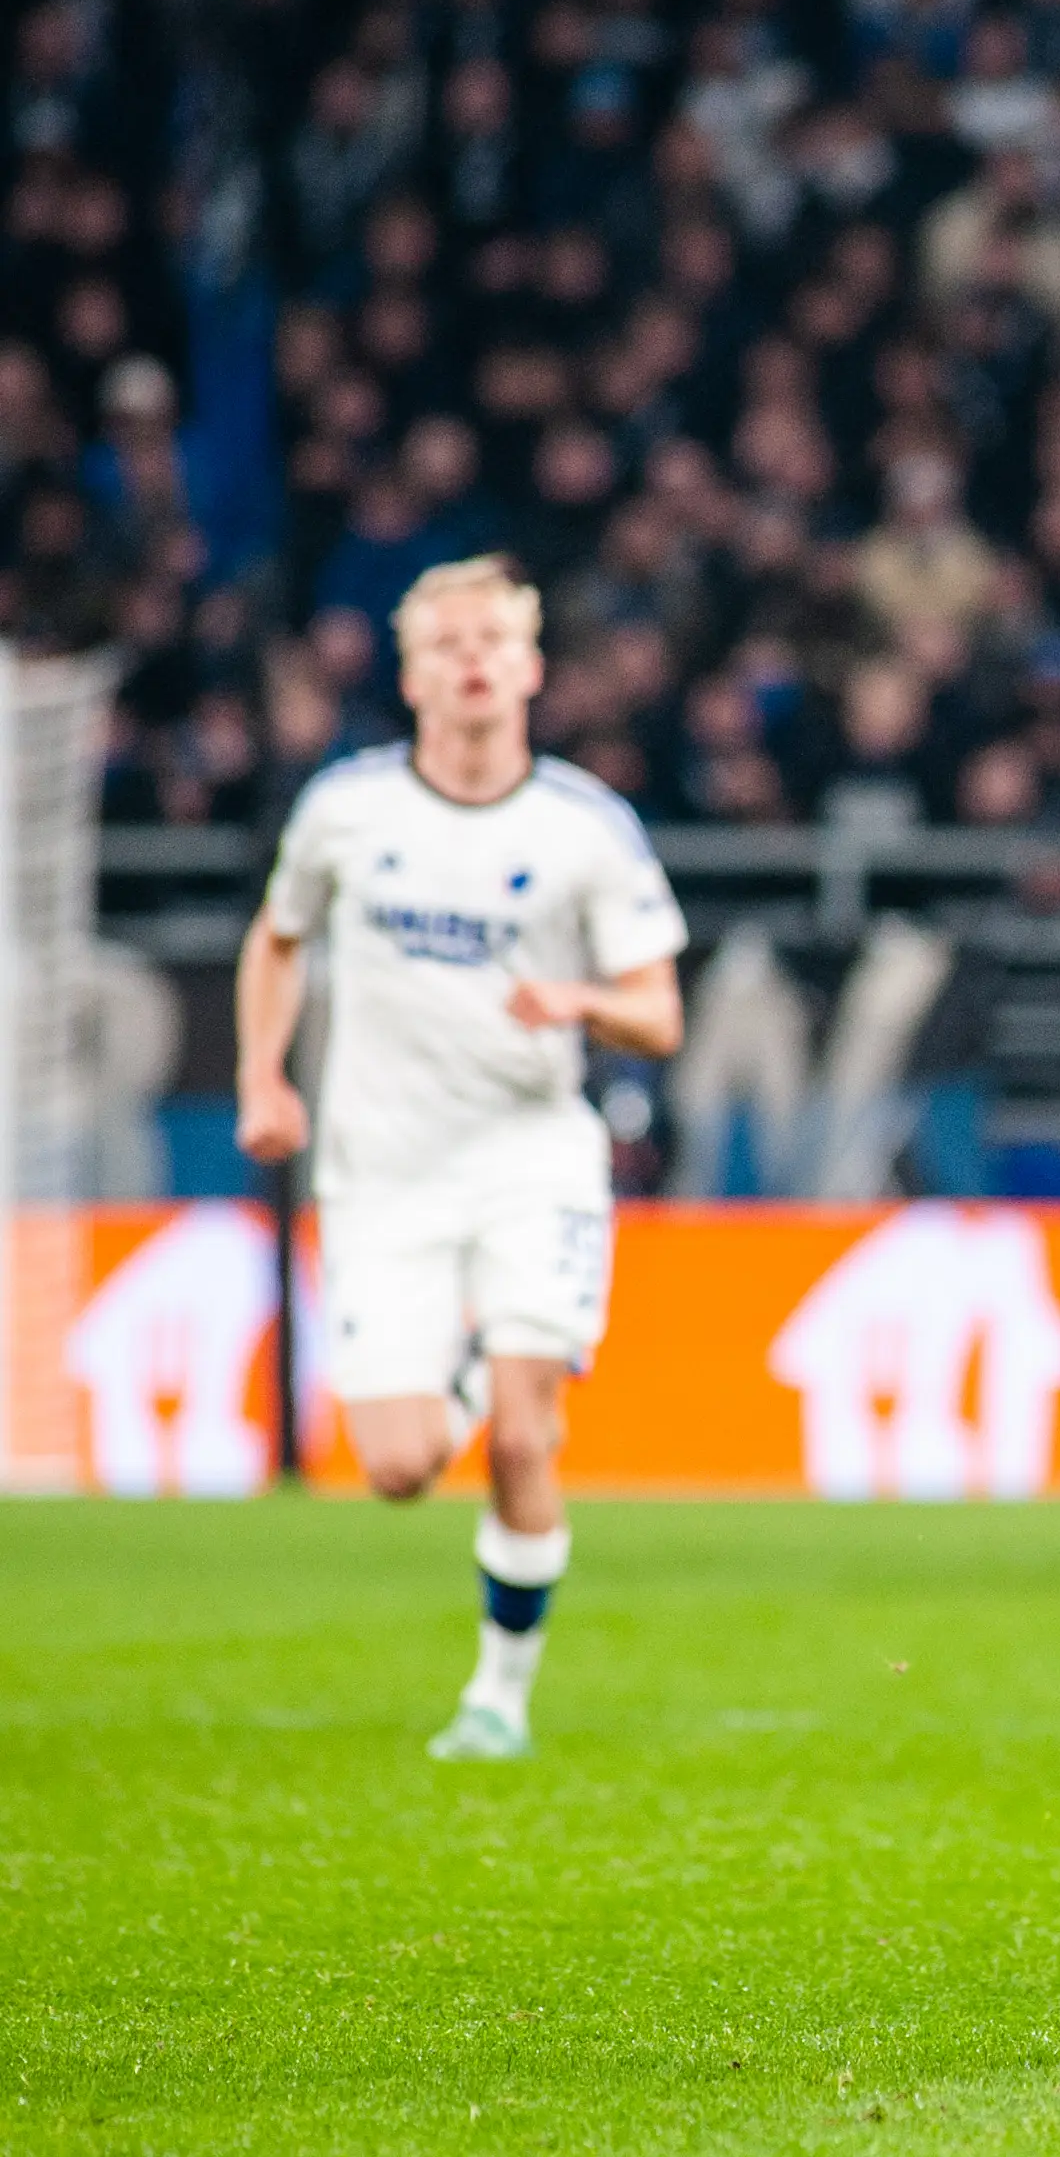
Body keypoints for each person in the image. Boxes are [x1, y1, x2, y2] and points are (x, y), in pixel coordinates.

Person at [234, 555, 689, 1760]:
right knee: (396, 1464)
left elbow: (659, 1013)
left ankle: (499, 1696)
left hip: (530, 1155)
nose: (473, 659)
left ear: (532, 667)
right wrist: (261, 1074)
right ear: (411, 671)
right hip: (381, 1168)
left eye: (493, 639)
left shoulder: (585, 825)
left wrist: (577, 997)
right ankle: (481, 1373)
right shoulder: (346, 809)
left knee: (529, 1439)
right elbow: (276, 941)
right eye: (449, 643)